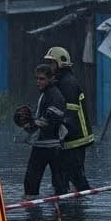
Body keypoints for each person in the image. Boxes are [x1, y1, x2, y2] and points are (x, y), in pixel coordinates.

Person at [42, 46, 95, 192]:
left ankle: (82, 199)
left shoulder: (67, 82)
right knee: (64, 175)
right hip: (68, 137)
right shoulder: (59, 81)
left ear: (60, 63)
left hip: (76, 136)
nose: (48, 67)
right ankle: (68, 200)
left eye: (51, 63)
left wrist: (55, 125)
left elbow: (69, 112)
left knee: (75, 174)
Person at [14, 64, 67, 196]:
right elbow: (42, 119)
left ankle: (63, 208)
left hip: (52, 147)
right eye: (37, 78)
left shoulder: (55, 95)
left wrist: (32, 122)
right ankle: (36, 209)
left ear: (51, 79)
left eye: (42, 79)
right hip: (41, 145)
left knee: (59, 186)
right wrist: (30, 123)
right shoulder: (45, 94)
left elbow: (51, 120)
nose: (38, 81)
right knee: (30, 185)